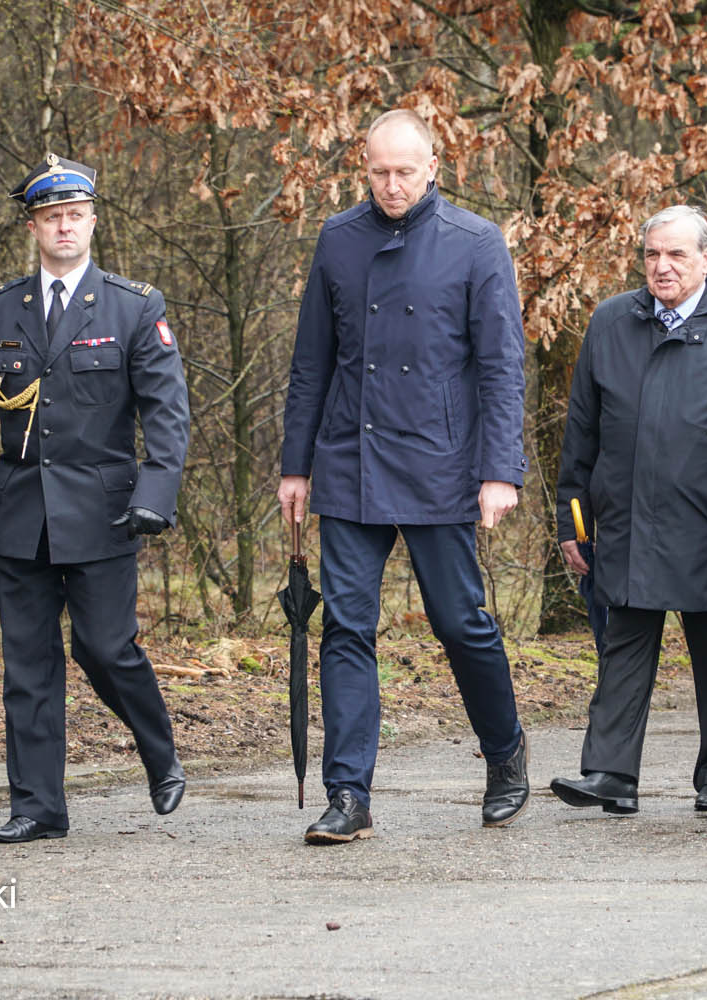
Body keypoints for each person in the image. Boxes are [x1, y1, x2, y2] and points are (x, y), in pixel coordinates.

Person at [278, 109, 529, 845]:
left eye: (405, 172)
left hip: (441, 465)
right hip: (351, 464)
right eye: (379, 171)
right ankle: (348, 792)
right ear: (364, 166)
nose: (392, 185)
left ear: (433, 167)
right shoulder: (337, 239)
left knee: (461, 623)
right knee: (347, 628)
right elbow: (311, 363)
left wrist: (499, 471)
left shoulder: (477, 244)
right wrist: (297, 465)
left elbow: (501, 367)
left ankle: (506, 752)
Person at [0, 155, 191, 843]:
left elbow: (168, 414)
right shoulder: (0, 312)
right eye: (52, 218)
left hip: (106, 513)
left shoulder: (133, 306)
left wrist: (155, 495)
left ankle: (159, 750)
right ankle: (38, 807)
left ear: (92, 221)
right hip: (22, 516)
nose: (64, 228)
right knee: (28, 669)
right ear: (34, 226)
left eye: (75, 216)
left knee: (106, 650)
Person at [548, 205, 707, 816]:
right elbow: (581, 430)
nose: (663, 266)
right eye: (653, 254)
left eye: (677, 254)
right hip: (625, 517)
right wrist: (572, 521)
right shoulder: (609, 321)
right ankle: (610, 774)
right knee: (623, 643)